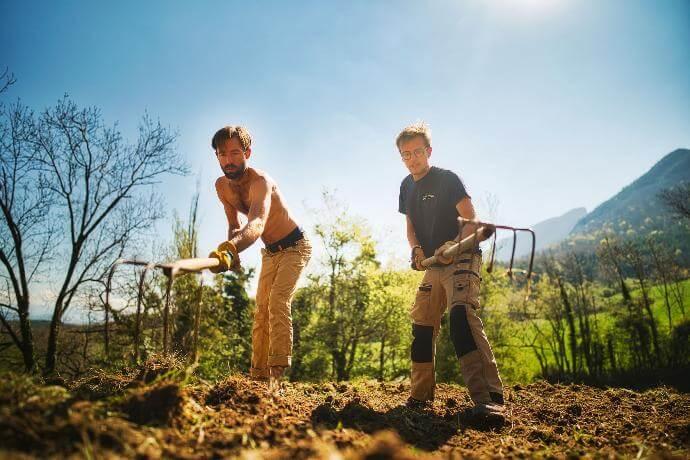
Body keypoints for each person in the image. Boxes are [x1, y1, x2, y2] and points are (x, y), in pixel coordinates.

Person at [396, 122, 504, 419]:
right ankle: (420, 397)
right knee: (422, 322)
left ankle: (489, 399)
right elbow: (410, 226)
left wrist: (452, 244)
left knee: (460, 316)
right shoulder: (406, 186)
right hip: (434, 262)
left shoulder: (447, 180)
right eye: (406, 154)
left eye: (418, 151)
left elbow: (472, 220)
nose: (412, 158)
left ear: (429, 151)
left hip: (462, 257)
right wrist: (417, 250)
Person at [208, 125, 311, 388]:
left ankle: (276, 380)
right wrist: (231, 253)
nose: (228, 160)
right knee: (261, 312)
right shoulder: (222, 187)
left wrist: (231, 246)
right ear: (217, 156)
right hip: (271, 252)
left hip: (295, 245)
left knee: (277, 301)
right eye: (222, 154)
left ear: (247, 153)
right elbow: (234, 224)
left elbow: (255, 224)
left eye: (234, 153)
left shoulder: (260, 182)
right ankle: (257, 380)